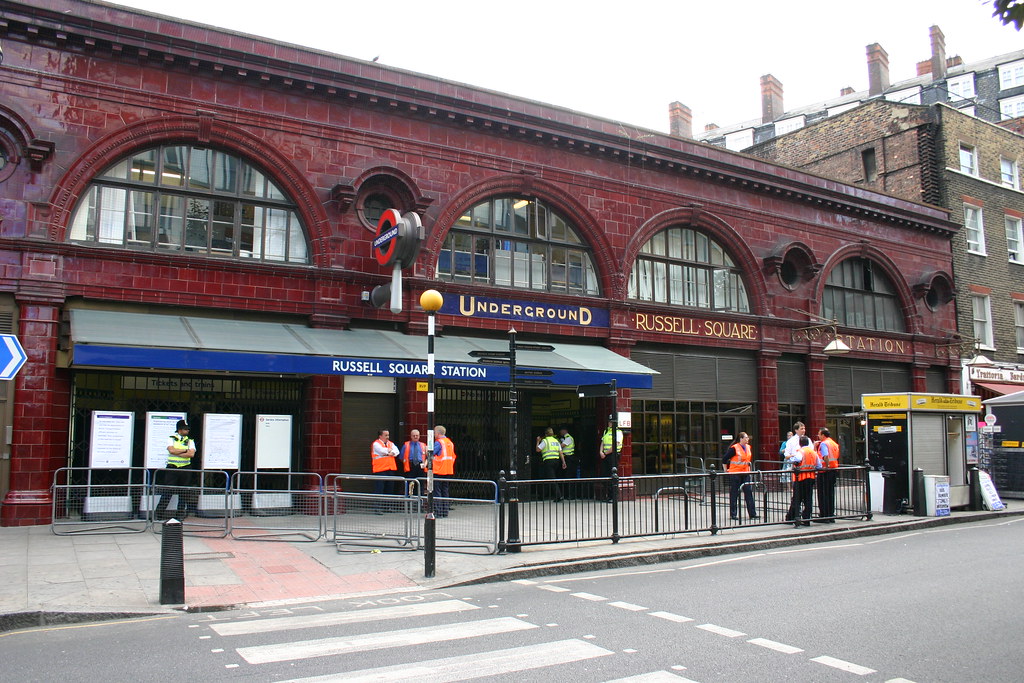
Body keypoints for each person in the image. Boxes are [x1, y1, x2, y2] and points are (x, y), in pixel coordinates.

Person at [154, 419, 198, 520]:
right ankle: (159, 514)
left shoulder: (190, 440)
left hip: (185, 468)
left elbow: (191, 454)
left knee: (183, 492)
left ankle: (180, 515)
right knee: (167, 491)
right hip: (172, 468)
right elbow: (171, 450)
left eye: (187, 429)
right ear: (179, 429)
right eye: (185, 429)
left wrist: (179, 452)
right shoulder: (171, 439)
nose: (187, 431)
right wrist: (185, 450)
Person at [786, 434, 822, 526]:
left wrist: (791, 459)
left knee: (797, 499)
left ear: (800, 444)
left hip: (800, 478)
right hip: (811, 478)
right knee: (808, 499)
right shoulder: (814, 452)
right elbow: (819, 466)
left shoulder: (800, 452)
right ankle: (807, 519)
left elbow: (796, 460)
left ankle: (793, 517)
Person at [723, 432, 758, 521]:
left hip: (745, 473)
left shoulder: (748, 447)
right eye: (746, 437)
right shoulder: (734, 448)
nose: (748, 439)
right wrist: (725, 470)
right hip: (735, 473)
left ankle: (752, 514)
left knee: (748, 493)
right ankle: (733, 514)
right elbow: (724, 459)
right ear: (741, 439)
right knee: (734, 493)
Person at [370, 429, 400, 514]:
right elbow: (381, 451)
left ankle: (388, 507)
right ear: (380, 436)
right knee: (379, 489)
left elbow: (397, 452)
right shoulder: (376, 444)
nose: (388, 437)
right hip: (380, 470)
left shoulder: (391, 443)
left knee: (389, 488)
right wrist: (389, 451)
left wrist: (390, 452)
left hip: (390, 469)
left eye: (388, 435)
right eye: (386, 435)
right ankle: (377, 508)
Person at [431, 425, 457, 517]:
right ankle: (445, 512)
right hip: (448, 470)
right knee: (445, 491)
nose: (434, 434)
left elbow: (432, 452)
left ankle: (438, 512)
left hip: (439, 470)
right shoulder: (450, 442)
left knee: (437, 492)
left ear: (438, 433)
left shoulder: (439, 442)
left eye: (434, 433)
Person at [815, 428, 840, 522]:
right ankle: (830, 515)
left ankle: (824, 515)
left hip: (825, 471)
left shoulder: (824, 443)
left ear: (823, 435)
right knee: (830, 493)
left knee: (823, 494)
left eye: (819, 434)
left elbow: (825, 456)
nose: (818, 436)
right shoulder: (834, 443)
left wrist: (826, 466)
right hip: (833, 470)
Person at [536, 427, 566, 502]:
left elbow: (538, 449)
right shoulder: (556, 441)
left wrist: (537, 441)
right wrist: (563, 462)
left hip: (548, 461)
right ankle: (542, 495)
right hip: (556, 461)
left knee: (552, 478)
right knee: (548, 477)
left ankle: (559, 496)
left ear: (546, 434)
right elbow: (561, 452)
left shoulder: (545, 441)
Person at [599, 419, 624, 502]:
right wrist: (600, 452)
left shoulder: (618, 432)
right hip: (605, 455)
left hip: (613, 455)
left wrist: (605, 453)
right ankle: (608, 496)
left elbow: (615, 445)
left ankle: (614, 496)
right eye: (609, 421)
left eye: (611, 422)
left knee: (613, 475)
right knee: (605, 475)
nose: (609, 423)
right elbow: (602, 442)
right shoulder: (606, 431)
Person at [401, 429, 425, 493]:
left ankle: (420, 499)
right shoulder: (406, 445)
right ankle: (410, 500)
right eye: (413, 435)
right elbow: (401, 457)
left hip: (420, 466)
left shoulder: (423, 445)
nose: (415, 437)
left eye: (417, 435)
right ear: (411, 436)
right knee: (410, 484)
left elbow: (427, 457)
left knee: (420, 484)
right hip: (410, 466)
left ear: (419, 436)